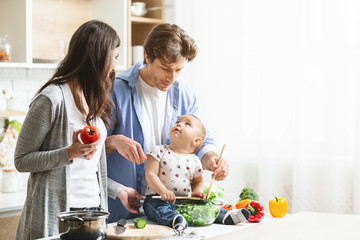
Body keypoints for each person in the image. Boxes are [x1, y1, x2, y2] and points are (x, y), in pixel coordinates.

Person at [14, 20, 143, 240]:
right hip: (57, 215)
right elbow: (22, 160)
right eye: (114, 58)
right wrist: (69, 153)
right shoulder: (52, 99)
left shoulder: (95, 99)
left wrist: (119, 191)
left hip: (94, 212)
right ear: (97, 57)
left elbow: (89, 170)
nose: (114, 67)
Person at [105, 23, 230, 222]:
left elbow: (201, 141)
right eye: (166, 69)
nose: (171, 78)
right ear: (147, 56)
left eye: (178, 70)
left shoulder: (185, 95)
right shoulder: (116, 91)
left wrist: (212, 159)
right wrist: (113, 141)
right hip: (123, 209)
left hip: (170, 211)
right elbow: (91, 152)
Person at [143, 114, 250, 231]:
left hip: (185, 200)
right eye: (178, 121)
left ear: (196, 140)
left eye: (187, 124)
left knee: (205, 206)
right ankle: (174, 220)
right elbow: (150, 174)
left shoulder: (194, 160)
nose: (179, 124)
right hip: (158, 198)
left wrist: (197, 193)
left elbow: (197, 182)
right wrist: (163, 191)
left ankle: (225, 215)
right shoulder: (159, 151)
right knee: (158, 208)